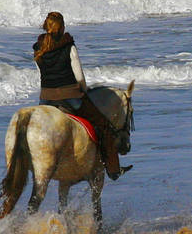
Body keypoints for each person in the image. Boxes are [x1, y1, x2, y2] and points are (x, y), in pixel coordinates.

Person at [33, 11, 129, 180]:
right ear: (62, 27)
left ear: (46, 26)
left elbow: (41, 73)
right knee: (104, 125)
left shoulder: (38, 47)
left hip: (46, 98)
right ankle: (114, 170)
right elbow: (79, 76)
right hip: (70, 96)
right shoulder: (68, 45)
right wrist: (83, 91)